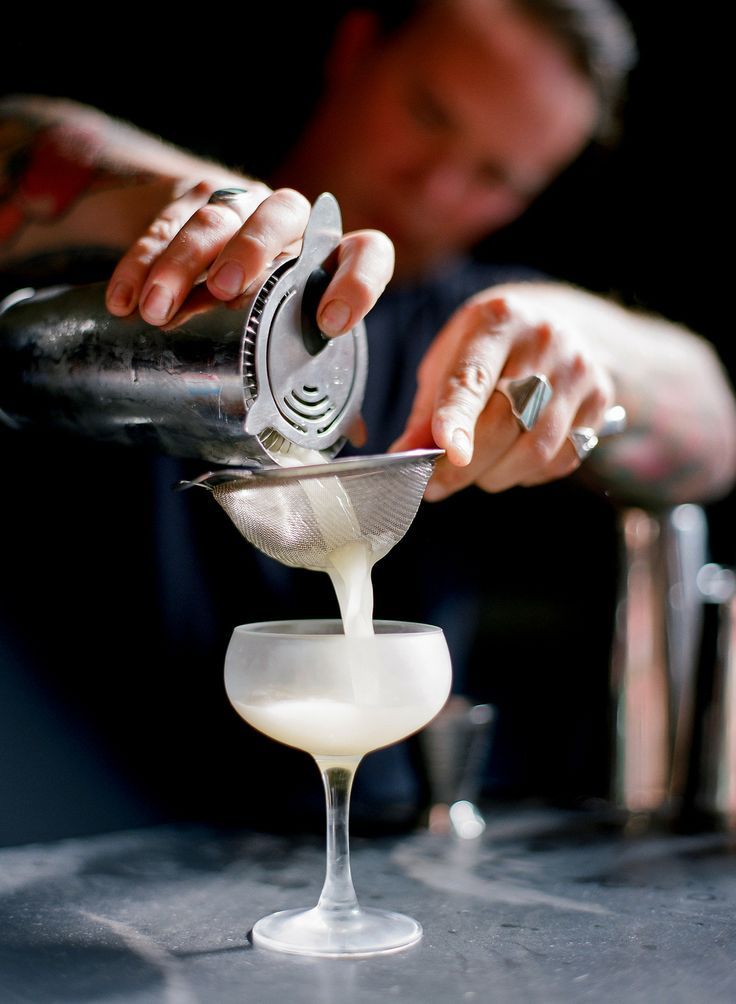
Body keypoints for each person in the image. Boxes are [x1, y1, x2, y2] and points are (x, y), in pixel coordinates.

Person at [1, 0, 734, 841]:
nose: (438, 184)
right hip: (63, 833)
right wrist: (193, 206)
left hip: (365, 840)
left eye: (496, 177)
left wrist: (582, 340)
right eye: (428, 113)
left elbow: (714, 428)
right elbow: (18, 140)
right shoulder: (127, 251)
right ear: (357, 48)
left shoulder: (466, 328)